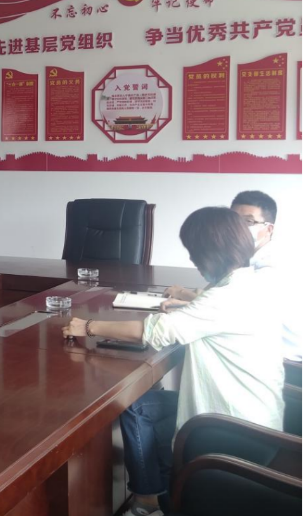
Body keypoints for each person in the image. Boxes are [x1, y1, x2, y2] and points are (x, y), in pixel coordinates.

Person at [63, 207, 285, 516]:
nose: (193, 260)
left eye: (194, 253)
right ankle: (150, 499)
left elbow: (154, 332)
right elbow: (215, 309)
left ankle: (167, 495)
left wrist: (87, 326)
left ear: (209, 253)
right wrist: (187, 305)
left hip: (231, 431)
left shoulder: (224, 298)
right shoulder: (249, 282)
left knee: (137, 409)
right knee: (138, 407)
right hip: (259, 421)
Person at [162, 190, 301, 361]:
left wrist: (185, 296)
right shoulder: (242, 258)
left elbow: (231, 308)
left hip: (285, 357)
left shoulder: (271, 267)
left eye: (248, 221)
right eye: (234, 220)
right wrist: (190, 299)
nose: (239, 228)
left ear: (268, 229)